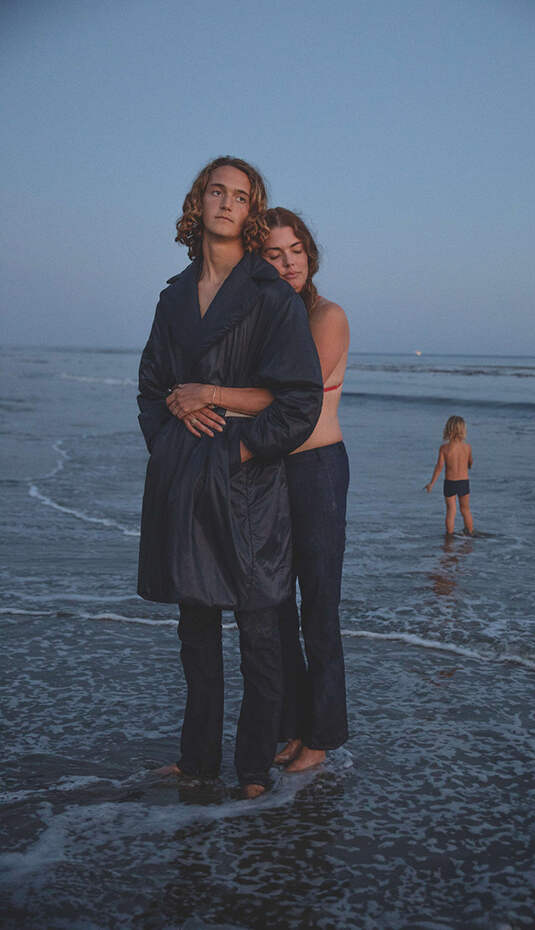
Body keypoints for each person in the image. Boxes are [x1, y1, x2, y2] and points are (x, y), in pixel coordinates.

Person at [137, 158, 323, 799]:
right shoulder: (172, 297)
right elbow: (151, 387)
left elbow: (300, 401)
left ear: (251, 212)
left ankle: (250, 772)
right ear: (200, 201)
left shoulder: (271, 296)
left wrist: (237, 452)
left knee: (259, 631)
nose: (226, 203)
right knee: (195, 632)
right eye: (216, 191)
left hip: (247, 485)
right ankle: (197, 761)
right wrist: (171, 443)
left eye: (240, 197)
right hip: (184, 480)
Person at [174, 207, 350, 773]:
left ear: (309, 253)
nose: (289, 262)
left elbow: (292, 395)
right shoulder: (265, 317)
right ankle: (290, 728)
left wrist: (209, 392)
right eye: (274, 254)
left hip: (316, 470)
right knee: (272, 608)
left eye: (297, 250)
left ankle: (322, 737)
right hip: (266, 470)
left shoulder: (326, 316)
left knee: (318, 605)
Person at [425, 415, 474, 535]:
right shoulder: (467, 447)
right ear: (463, 430)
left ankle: (450, 535)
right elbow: (470, 463)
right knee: (465, 510)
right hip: (463, 481)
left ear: (448, 429)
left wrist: (431, 483)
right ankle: (470, 533)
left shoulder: (444, 448)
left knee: (451, 510)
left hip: (450, 482)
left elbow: (439, 467)